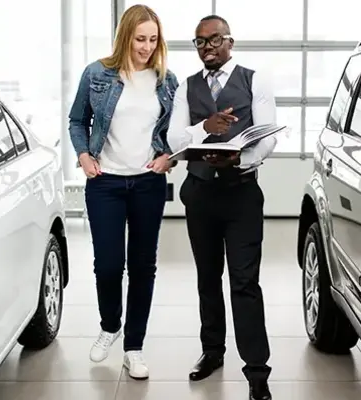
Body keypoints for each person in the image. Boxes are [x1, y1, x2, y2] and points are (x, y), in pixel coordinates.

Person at [166, 15, 276, 400]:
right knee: (207, 278)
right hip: (200, 193)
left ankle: (257, 372)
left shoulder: (254, 79)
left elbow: (267, 137)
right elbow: (175, 138)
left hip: (242, 194)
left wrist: (241, 160)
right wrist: (205, 128)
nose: (207, 48)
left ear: (230, 41)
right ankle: (212, 351)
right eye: (200, 43)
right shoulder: (186, 87)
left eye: (214, 40)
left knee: (245, 283)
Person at [68, 4, 178, 380]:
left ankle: (134, 347)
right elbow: (77, 119)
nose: (147, 47)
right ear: (125, 36)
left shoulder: (167, 80)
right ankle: (110, 326)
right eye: (140, 39)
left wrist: (168, 158)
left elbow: (175, 134)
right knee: (109, 264)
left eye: (153, 39)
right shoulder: (97, 74)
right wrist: (83, 154)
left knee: (143, 266)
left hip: (148, 183)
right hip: (106, 183)